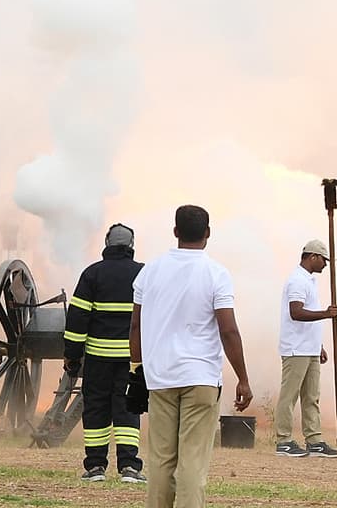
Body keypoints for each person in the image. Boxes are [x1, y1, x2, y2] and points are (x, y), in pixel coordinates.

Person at [130, 204, 252, 508]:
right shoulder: (216, 274)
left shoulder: (150, 271)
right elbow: (228, 331)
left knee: (160, 460)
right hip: (200, 379)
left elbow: (135, 324)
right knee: (192, 463)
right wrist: (243, 378)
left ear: (175, 232)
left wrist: (137, 368)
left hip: (160, 378)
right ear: (208, 233)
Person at [63, 223, 147, 483]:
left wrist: (72, 356)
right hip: (132, 359)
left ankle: (96, 467)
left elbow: (77, 319)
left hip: (98, 359)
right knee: (128, 409)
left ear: (107, 244)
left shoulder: (92, 274)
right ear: (131, 246)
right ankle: (130, 467)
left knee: (96, 408)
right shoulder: (144, 274)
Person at [274, 238, 337, 458]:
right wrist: (326, 314)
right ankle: (283, 440)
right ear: (313, 257)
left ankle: (314, 440)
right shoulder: (297, 281)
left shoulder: (309, 281)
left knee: (311, 396)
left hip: (309, 348)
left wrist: (318, 345)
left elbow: (306, 311)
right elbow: (296, 312)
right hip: (296, 349)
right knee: (289, 396)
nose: (326, 264)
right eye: (324, 260)